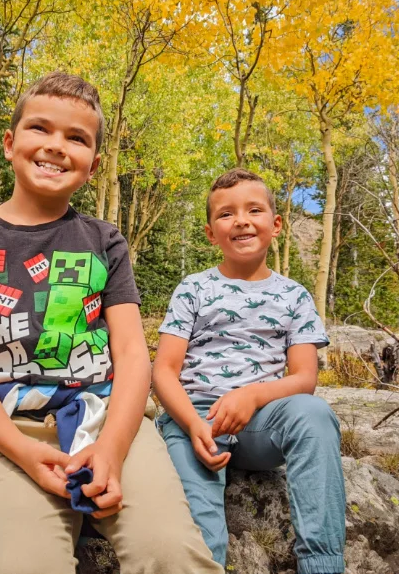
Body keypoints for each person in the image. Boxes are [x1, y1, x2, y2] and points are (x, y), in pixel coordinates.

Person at [0, 72, 221, 574]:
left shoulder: (104, 240)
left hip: (106, 418)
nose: (56, 146)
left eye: (76, 138)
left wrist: (113, 450)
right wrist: (23, 453)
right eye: (40, 129)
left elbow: (130, 357)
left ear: (93, 165)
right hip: (7, 432)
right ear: (10, 143)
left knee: (170, 553)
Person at [152, 167, 346, 574]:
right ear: (210, 233)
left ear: (275, 225)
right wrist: (191, 423)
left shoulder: (294, 295)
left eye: (253, 210)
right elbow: (164, 372)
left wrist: (252, 395)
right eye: (226, 214)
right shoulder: (193, 288)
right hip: (197, 421)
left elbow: (304, 379)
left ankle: (323, 564)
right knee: (200, 521)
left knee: (315, 416)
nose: (240, 220)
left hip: (262, 422)